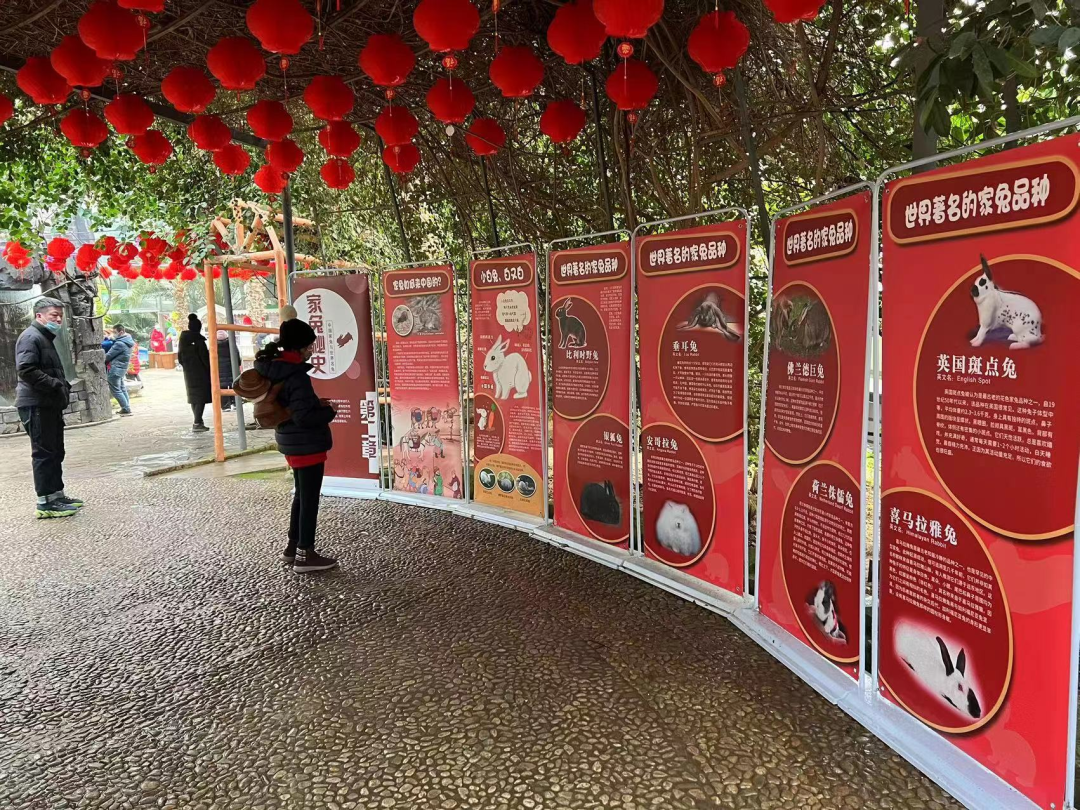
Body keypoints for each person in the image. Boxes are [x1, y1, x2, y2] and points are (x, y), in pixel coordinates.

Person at [254, 318, 338, 573]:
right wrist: (330, 412)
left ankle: (292, 548)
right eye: (309, 346)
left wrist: (315, 403)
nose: (311, 350)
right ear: (299, 347)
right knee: (309, 500)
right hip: (307, 444)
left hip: (291, 441)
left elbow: (292, 407)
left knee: (301, 496)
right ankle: (305, 554)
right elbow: (304, 417)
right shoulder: (296, 375)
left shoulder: (276, 368)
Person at [15, 297, 84, 519]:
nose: (58, 320)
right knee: (44, 454)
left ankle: (57, 496)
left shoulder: (44, 337)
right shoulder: (31, 337)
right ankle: (45, 503)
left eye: (60, 316)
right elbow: (26, 369)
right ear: (39, 316)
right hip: (36, 404)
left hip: (48, 404)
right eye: (54, 315)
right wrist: (55, 384)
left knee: (55, 451)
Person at [177, 314, 211, 432]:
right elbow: (205, 359)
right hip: (201, 373)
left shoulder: (183, 341)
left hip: (188, 372)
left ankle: (198, 421)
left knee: (193, 397)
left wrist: (187, 366)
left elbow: (180, 358)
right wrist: (209, 370)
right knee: (201, 397)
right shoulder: (199, 341)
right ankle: (197, 422)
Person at [105, 323, 135, 416]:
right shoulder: (128, 340)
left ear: (121, 332)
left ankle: (125, 408)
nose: (113, 334)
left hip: (115, 368)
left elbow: (108, 356)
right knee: (122, 388)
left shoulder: (120, 344)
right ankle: (126, 407)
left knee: (116, 390)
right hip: (122, 368)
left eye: (115, 332)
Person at [216, 329, 235, 412]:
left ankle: (225, 406)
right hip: (231, 368)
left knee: (222, 387)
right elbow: (237, 355)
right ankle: (235, 403)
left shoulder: (214, 345)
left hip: (219, 369)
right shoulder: (231, 344)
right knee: (233, 385)